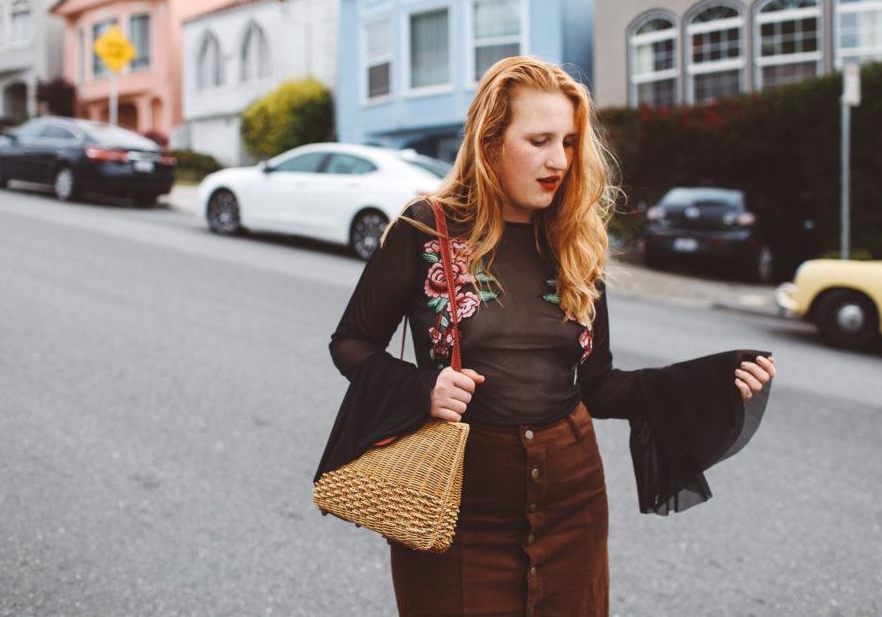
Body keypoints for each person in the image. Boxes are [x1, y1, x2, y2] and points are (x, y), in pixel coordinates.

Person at [315, 56, 777, 616]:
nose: (558, 160)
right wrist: (422, 388)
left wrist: (707, 380)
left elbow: (598, 386)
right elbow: (352, 341)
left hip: (571, 497)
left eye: (569, 141)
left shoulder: (575, 240)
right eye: (538, 140)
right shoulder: (427, 228)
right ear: (490, 142)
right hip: (458, 506)